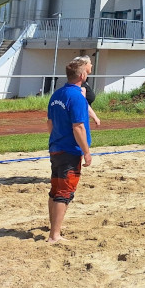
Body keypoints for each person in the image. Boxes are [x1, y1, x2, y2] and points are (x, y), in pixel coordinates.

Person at [46, 58, 94, 243]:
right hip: (70, 150)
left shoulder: (57, 94)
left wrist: (56, 140)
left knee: (56, 189)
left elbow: (50, 123)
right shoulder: (77, 97)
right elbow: (78, 127)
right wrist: (86, 152)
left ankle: (53, 229)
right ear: (82, 75)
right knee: (64, 193)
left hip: (56, 148)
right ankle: (54, 235)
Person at [74, 55, 101, 127]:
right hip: (80, 119)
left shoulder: (84, 80)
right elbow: (82, 103)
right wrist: (95, 117)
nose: (91, 65)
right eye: (90, 63)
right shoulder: (80, 82)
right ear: (85, 65)